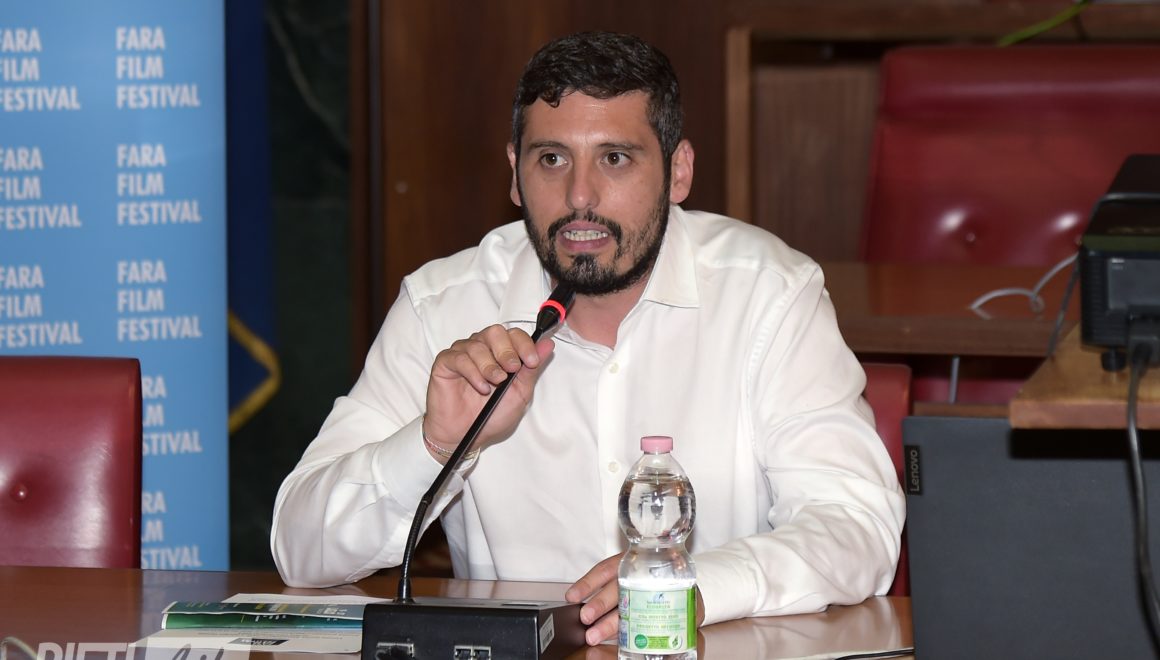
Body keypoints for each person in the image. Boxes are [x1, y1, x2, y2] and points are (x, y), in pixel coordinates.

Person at [271, 31, 905, 646]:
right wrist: (435, 444)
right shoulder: (443, 307)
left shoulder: (768, 294)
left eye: (615, 158)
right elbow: (299, 549)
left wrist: (694, 586)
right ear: (515, 174)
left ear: (678, 172)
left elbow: (856, 526)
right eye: (552, 159)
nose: (580, 196)